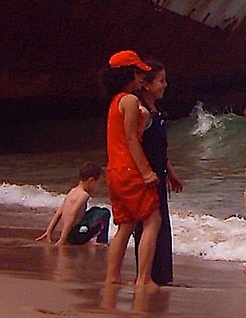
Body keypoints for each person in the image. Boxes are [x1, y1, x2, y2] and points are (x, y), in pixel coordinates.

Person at [102, 50, 161, 286]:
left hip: (114, 169)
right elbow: (131, 138)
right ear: (129, 74)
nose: (140, 78)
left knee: (125, 225)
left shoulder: (116, 101)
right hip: (130, 168)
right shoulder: (130, 100)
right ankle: (143, 278)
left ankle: (112, 276)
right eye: (138, 73)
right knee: (152, 220)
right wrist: (146, 172)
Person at [134, 60, 183, 285]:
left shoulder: (156, 112)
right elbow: (132, 145)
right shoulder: (142, 113)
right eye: (161, 81)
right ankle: (149, 276)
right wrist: (144, 173)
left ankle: (161, 276)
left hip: (159, 175)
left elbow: (160, 150)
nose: (165, 85)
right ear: (146, 84)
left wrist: (171, 173)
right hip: (147, 179)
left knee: (161, 225)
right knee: (150, 225)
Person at [37, 163, 110, 245]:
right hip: (76, 236)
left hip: (70, 233)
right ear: (91, 181)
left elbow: (59, 213)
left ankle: (87, 237)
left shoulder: (72, 191)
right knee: (105, 212)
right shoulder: (84, 195)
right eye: (98, 183)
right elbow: (72, 215)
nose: (98, 187)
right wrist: (62, 239)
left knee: (95, 210)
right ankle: (102, 241)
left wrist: (49, 231)